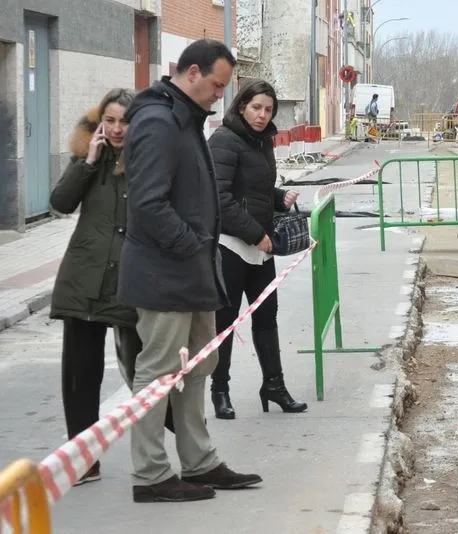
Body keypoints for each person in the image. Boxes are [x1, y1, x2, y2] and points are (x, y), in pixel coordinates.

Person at [119, 38, 261, 503]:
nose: (221, 94)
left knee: (200, 363)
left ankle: (200, 461)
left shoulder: (186, 118)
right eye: (217, 85)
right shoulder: (159, 121)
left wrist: (199, 253)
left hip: (193, 270)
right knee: (158, 370)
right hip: (165, 274)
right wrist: (190, 245)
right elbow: (147, 203)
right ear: (193, 72)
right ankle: (152, 474)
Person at [49, 88, 174, 487]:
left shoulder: (149, 161)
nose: (118, 129)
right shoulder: (90, 159)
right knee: (80, 373)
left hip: (131, 279)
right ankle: (84, 459)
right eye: (112, 120)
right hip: (84, 277)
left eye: (126, 120)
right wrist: (87, 162)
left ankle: (179, 438)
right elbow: (60, 202)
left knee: (140, 366)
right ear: (101, 122)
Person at [206, 79, 307, 420]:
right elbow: (219, 198)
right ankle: (220, 390)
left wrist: (280, 198)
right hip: (231, 246)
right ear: (241, 106)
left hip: (259, 247)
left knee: (267, 316)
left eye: (268, 109)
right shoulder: (224, 140)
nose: (263, 115)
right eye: (256, 108)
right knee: (226, 321)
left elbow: (255, 189)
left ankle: (274, 386)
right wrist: (254, 233)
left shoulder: (262, 141)